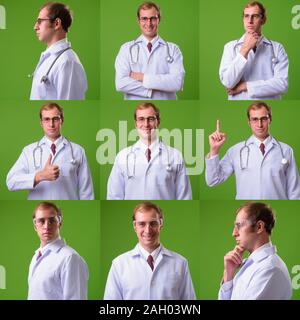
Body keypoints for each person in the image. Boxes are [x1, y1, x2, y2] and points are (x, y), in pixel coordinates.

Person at [205, 102, 300, 199]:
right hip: (247, 207)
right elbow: (213, 180)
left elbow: (295, 192)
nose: (259, 124)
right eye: (255, 119)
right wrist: (214, 150)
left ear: (270, 120)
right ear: (249, 122)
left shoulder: (286, 150)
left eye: (263, 119)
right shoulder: (236, 150)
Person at [104, 202, 196, 300]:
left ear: (161, 224)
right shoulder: (119, 264)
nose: (148, 230)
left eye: (153, 223)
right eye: (142, 224)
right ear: (135, 226)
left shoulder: (180, 263)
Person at [6, 102, 94, 200]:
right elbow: (11, 182)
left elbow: (87, 192)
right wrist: (40, 176)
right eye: (46, 119)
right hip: (39, 206)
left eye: (55, 119)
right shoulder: (29, 151)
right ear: (41, 123)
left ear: (62, 120)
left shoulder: (78, 151)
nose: (51, 124)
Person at [107, 102, 192, 200]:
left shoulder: (175, 156)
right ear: (136, 123)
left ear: (158, 122)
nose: (146, 124)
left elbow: (185, 197)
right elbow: (114, 196)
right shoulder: (122, 156)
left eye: (151, 119)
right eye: (141, 119)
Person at [219, 202, 292, 300]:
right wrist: (228, 274)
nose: (234, 233)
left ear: (259, 227)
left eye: (239, 226)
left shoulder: (270, 269)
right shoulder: (254, 265)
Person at [115, 1, 185, 100]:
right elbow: (120, 84)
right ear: (138, 21)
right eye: (144, 19)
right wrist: (152, 90)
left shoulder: (173, 49)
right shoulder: (126, 49)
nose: (149, 23)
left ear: (159, 20)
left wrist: (143, 77)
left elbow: (177, 83)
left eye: (153, 18)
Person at [219, 1, 288, 100]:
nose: (250, 21)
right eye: (246, 16)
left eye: (255, 16)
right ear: (243, 19)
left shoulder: (277, 48)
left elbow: (282, 84)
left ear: (263, 20)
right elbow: (228, 82)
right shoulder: (230, 47)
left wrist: (245, 86)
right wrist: (245, 49)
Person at [28, 202, 89, 300]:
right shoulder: (36, 256)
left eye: (52, 220)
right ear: (35, 226)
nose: (46, 226)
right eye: (41, 221)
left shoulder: (70, 258)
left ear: (59, 223)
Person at [30, 2, 87, 100]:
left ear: (57, 23)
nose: (35, 27)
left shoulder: (68, 62)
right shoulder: (49, 57)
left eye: (40, 21)